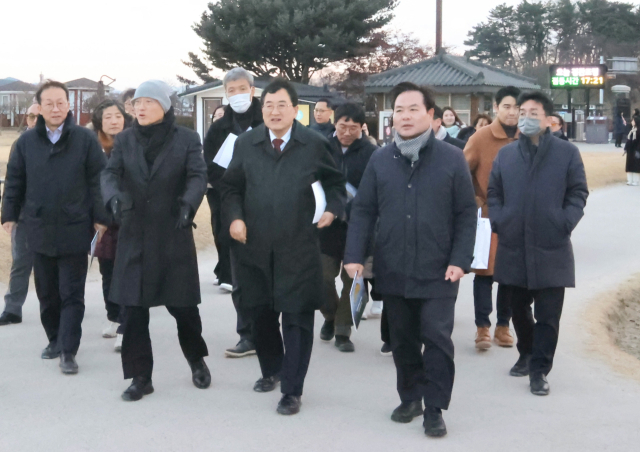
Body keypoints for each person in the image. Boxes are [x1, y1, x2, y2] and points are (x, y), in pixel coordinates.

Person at [344, 82, 477, 438]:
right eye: (399, 110)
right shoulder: (380, 158)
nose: (405, 116)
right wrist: (354, 255)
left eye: (413, 109)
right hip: (393, 266)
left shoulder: (451, 158)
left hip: (440, 270)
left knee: (436, 338)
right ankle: (411, 397)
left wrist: (461, 259)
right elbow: (363, 210)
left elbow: (467, 213)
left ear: (431, 116)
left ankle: (434, 407)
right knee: (401, 339)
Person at [220, 78, 346, 416]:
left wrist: (333, 210)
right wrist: (234, 218)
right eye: (268, 106)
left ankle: (292, 389)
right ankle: (272, 369)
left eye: (281, 105)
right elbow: (230, 188)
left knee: (297, 318)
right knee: (260, 315)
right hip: (254, 247)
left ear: (295, 109)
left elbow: (336, 183)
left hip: (299, 246)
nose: (274, 112)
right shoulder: (246, 143)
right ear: (262, 110)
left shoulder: (314, 144)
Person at [101, 80, 211, 401]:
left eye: (149, 102)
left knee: (184, 309)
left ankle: (196, 359)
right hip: (134, 235)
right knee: (133, 312)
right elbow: (110, 175)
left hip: (172, 235)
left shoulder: (187, 139)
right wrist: (115, 197)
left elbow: (197, 175)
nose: (141, 108)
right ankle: (141, 376)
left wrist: (188, 204)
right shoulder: (124, 140)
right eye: (137, 103)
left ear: (164, 106)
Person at [1, 80, 109, 374]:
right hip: (38, 227)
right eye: (49, 103)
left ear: (69, 105)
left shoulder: (85, 141)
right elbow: (14, 181)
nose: (56, 108)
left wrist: (101, 216)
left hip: (75, 226)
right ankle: (54, 340)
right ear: (39, 108)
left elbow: (99, 181)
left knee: (72, 293)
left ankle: (68, 350)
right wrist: (8, 214)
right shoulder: (25, 143)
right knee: (47, 293)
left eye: (61, 102)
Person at [488, 91, 588, 396]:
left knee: (548, 316)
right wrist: (501, 220)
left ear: (549, 120)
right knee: (518, 309)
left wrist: (563, 221)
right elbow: (494, 192)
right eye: (523, 112)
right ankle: (526, 352)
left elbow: (578, 193)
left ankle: (539, 369)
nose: (527, 117)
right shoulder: (506, 155)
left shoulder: (566, 153)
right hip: (513, 245)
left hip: (551, 246)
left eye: (534, 112)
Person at [203, 67, 264, 358]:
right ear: (225, 94)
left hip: (269, 205)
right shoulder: (218, 128)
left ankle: (271, 332)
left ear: (252, 90)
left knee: (270, 276)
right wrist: (232, 178)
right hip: (232, 204)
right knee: (241, 277)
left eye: (242, 89)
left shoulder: (268, 117)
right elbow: (210, 167)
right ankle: (247, 334)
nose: (237, 95)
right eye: (231, 91)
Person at [463, 86, 521, 350]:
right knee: (484, 274)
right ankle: (482, 327)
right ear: (496, 107)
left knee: (510, 274)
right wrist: (476, 201)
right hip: (487, 217)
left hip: (518, 218)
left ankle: (503, 325)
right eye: (507, 106)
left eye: (517, 107)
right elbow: (462, 174)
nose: (512, 112)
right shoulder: (481, 137)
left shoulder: (529, 137)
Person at [318, 102, 377, 352]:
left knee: (354, 281)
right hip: (325, 224)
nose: (347, 132)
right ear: (335, 122)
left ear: (361, 128)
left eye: (354, 127)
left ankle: (344, 330)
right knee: (320, 278)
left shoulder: (372, 152)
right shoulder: (321, 146)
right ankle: (330, 316)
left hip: (358, 226)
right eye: (343, 125)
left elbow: (373, 190)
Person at [91, 99, 132, 351]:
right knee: (108, 274)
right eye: (108, 117)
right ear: (99, 122)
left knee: (127, 275)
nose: (114, 121)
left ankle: (127, 328)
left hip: (129, 220)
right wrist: (98, 218)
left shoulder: (133, 144)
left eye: (118, 116)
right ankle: (114, 317)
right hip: (103, 223)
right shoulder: (93, 149)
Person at [0, 104, 40, 326]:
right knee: (20, 262)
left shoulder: (64, 142)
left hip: (55, 215)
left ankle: (64, 306)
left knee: (56, 265)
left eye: (39, 116)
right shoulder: (20, 144)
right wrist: (8, 214)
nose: (34, 120)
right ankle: (13, 309)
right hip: (25, 214)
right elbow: (12, 181)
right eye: (31, 116)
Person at [623, 116, 640, 186]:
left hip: (636, 150)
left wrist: (638, 150)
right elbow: (628, 140)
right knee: (629, 165)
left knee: (635, 165)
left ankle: (635, 180)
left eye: (633, 121)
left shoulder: (639, 130)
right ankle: (630, 180)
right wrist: (625, 148)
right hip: (630, 150)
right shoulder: (631, 130)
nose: (632, 122)